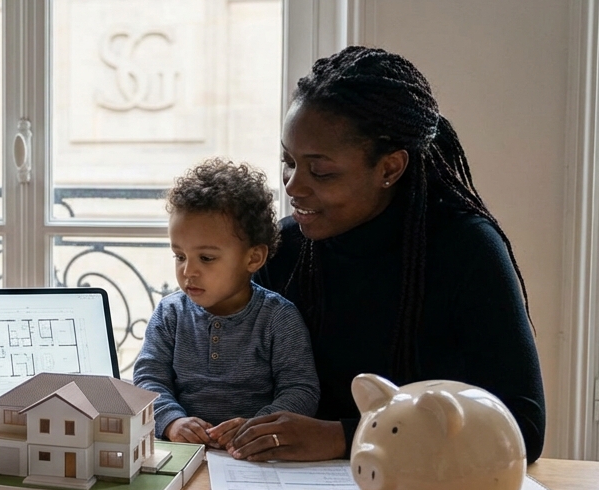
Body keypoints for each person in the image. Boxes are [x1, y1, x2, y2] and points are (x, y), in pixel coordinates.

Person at [225, 46, 546, 464]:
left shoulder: (466, 250)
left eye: (320, 171)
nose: (292, 186)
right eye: (288, 161)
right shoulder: (283, 250)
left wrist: (346, 437)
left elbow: (522, 426)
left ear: (390, 168)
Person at [133, 158, 319, 448]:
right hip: (183, 453)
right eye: (180, 256)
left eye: (206, 258)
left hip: (255, 457)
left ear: (253, 258)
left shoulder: (278, 317)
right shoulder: (170, 314)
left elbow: (301, 390)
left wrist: (257, 428)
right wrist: (171, 421)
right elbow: (147, 379)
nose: (188, 271)